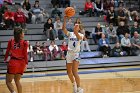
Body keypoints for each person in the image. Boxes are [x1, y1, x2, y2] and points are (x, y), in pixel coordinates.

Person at [62, 16, 84, 93]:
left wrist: (75, 30)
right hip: (69, 53)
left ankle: (79, 87)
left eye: (77, 25)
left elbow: (76, 35)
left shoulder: (81, 35)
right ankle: (74, 84)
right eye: (75, 24)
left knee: (74, 71)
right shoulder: (70, 34)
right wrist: (65, 19)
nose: (76, 26)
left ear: (79, 28)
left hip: (76, 54)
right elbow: (63, 29)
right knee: (68, 72)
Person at [4, 28, 28, 93]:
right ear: (20, 35)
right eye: (23, 33)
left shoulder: (10, 41)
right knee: (17, 81)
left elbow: (7, 52)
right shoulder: (25, 43)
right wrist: (26, 64)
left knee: (8, 81)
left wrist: (5, 60)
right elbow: (25, 54)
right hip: (21, 63)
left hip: (13, 63)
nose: (24, 34)